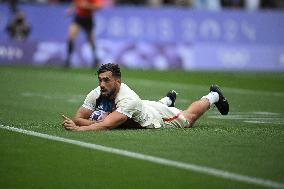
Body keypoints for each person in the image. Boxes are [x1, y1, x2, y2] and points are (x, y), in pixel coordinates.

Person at [62, 63, 229, 131]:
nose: (102, 84)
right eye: (100, 80)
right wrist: (88, 122)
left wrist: (80, 128)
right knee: (137, 111)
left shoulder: (128, 100)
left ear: (118, 81)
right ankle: (167, 101)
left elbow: (105, 126)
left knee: (188, 118)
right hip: (142, 107)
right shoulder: (98, 92)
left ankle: (213, 95)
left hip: (157, 119)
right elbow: (78, 117)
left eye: (107, 80)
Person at [65, 0, 102, 68]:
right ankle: (68, 60)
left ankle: (95, 58)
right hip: (78, 17)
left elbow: (99, 6)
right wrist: (71, 9)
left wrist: (87, 6)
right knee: (71, 37)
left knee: (90, 40)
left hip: (88, 19)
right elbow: (75, 3)